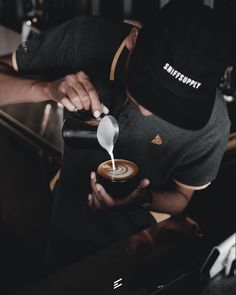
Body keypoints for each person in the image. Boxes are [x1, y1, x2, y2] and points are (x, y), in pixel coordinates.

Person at [0, 1, 232, 272]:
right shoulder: (83, 38)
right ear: (134, 39)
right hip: (67, 225)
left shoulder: (212, 123)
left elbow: (181, 197)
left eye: (171, 103)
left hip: (144, 246)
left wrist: (143, 198)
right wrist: (47, 88)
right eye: (148, 84)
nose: (146, 111)